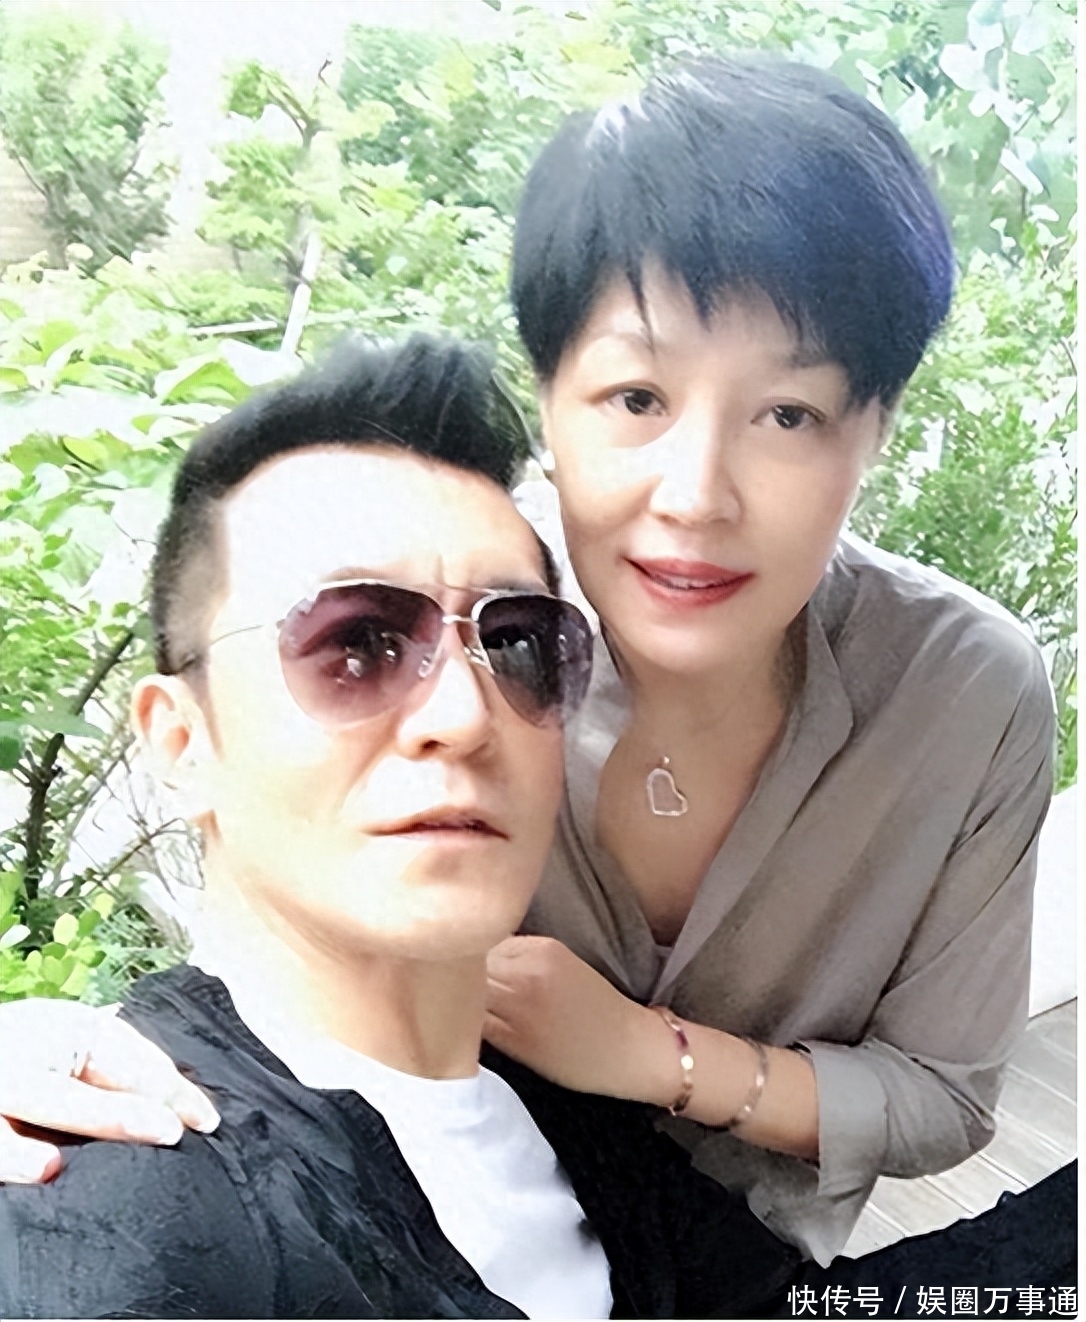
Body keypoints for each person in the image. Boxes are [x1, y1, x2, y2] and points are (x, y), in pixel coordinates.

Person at [0, 55, 1059, 1266]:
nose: (696, 494)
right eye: (636, 397)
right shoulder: (442, 616)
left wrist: (652, 1056)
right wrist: (50, 1056)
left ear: (874, 431)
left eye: (789, 414)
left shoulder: (963, 692)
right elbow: (269, 912)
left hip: (752, 1266)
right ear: (550, 398)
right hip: (403, 1240)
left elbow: (944, 1093)